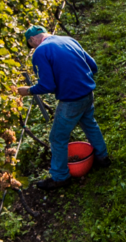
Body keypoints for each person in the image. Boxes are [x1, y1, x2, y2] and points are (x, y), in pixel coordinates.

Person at [14, 25, 111, 190]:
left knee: (57, 138)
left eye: (31, 45)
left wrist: (28, 90)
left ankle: (60, 177)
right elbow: (93, 65)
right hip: (87, 93)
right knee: (89, 123)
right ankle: (103, 157)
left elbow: (47, 85)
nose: (33, 48)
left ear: (32, 40)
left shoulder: (40, 52)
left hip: (71, 100)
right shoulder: (69, 40)